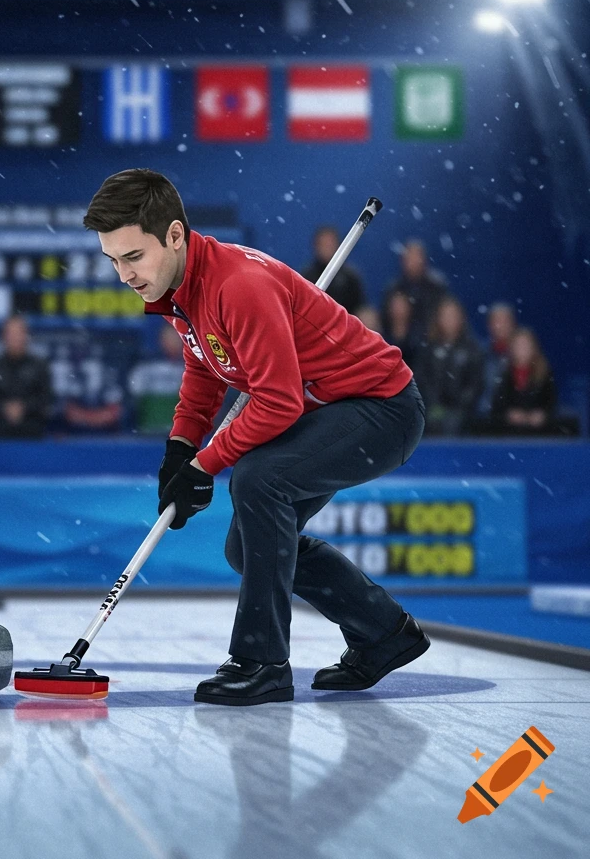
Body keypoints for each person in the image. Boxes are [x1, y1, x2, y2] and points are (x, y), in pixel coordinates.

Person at [84, 168, 429, 707]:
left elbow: (279, 401)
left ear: (174, 235)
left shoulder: (236, 286)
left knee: (260, 480)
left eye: (133, 257)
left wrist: (204, 466)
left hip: (382, 407)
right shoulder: (184, 289)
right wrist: (179, 449)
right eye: (113, 260)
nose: (123, 274)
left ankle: (261, 662)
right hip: (335, 408)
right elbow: (204, 371)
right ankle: (384, 631)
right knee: (248, 546)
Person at [418, 297, 484, 436]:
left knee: (456, 423)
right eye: (445, 315)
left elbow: (475, 383)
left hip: (463, 413)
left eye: (453, 315)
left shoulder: (472, 349)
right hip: (433, 410)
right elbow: (423, 379)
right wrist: (434, 404)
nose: (449, 320)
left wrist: (460, 407)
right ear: (438, 319)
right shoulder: (428, 348)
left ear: (461, 318)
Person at [0, 315, 53, 439]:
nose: (14, 338)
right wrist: (4, 408)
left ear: (26, 336)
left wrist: (24, 408)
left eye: (18, 333)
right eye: (10, 333)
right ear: (3, 336)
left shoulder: (39, 366)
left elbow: (46, 397)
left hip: (31, 433)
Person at [489, 327, 558, 436]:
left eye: (525, 345)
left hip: (540, 435)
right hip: (509, 435)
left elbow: (551, 403)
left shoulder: (545, 373)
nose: (522, 349)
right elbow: (497, 406)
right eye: (519, 345)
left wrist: (542, 415)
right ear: (512, 348)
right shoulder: (504, 373)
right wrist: (509, 414)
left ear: (533, 347)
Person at [382, 239, 448, 345]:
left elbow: (445, 314)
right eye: (409, 258)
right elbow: (384, 323)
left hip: (433, 344)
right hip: (401, 344)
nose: (413, 262)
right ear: (402, 261)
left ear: (424, 260)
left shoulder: (436, 287)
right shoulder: (394, 289)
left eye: (417, 257)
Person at [127, 325, 187, 436]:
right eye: (169, 337)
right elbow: (134, 396)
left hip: (182, 433)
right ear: (161, 340)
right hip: (148, 433)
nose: (173, 342)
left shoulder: (194, 368)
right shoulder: (146, 367)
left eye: (177, 337)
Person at [302, 225, 367, 315]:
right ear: (316, 247)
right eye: (324, 244)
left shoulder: (350, 277)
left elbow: (360, 309)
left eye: (330, 244)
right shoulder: (306, 277)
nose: (327, 248)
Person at [479, 301, 518, 417]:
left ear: (512, 323)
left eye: (505, 321)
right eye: (496, 321)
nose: (501, 326)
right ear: (489, 325)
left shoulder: (525, 354)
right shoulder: (479, 355)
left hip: (518, 421)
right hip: (485, 419)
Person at [379, 290, 419, 371]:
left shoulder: (417, 339)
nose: (398, 310)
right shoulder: (382, 337)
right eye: (395, 306)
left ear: (409, 308)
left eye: (401, 306)